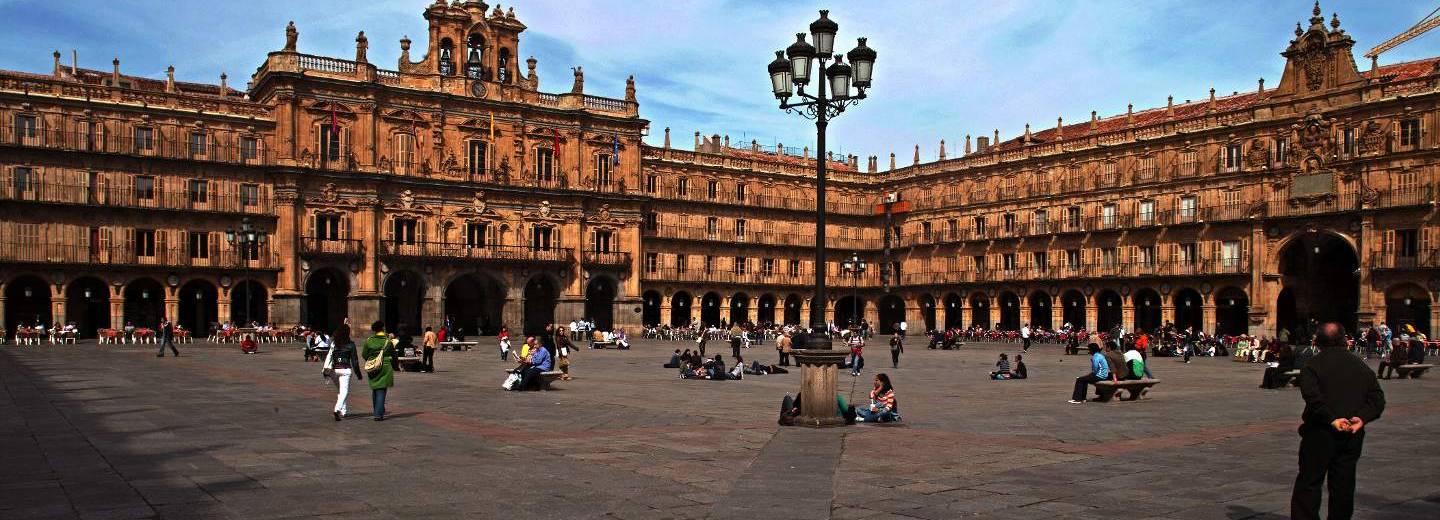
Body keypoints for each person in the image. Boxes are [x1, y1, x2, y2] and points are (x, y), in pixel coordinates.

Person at [1292, 323, 1386, 520]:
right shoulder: (1359, 365)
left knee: (1309, 483)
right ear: (1345, 340)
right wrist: (1362, 418)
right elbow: (1377, 400)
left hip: (1319, 432)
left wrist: (1332, 419)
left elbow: (1313, 399)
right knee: (1343, 485)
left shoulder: (1313, 365)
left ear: (1317, 342)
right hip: (1351, 433)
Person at [323, 325, 361, 421]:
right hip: (345, 370)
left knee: (340, 391)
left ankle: (344, 411)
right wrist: (358, 374)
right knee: (344, 391)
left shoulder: (334, 343)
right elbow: (355, 361)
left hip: (334, 371)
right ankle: (337, 409)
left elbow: (329, 356)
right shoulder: (351, 344)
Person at [361, 321, 395, 421]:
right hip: (385, 366)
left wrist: (372, 360)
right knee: (381, 389)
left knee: (375, 388)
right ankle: (378, 414)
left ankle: (378, 409)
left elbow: (364, 354)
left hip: (372, 367)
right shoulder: (388, 341)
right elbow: (393, 354)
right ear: (383, 328)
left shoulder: (369, 341)